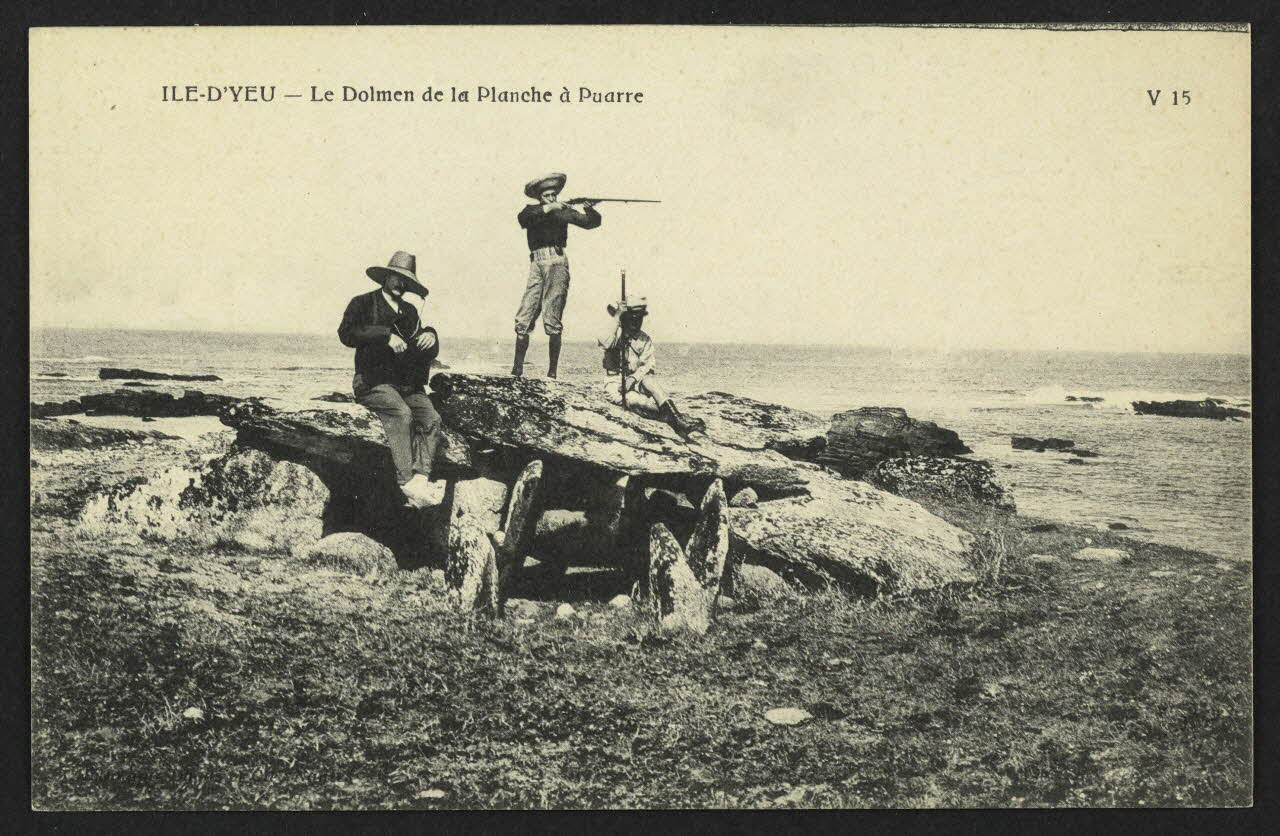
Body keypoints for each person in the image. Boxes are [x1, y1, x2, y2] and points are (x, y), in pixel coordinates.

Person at [338, 251, 443, 507]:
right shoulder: (362, 302)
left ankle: (421, 479)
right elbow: (346, 334)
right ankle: (406, 482)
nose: (401, 284)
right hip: (373, 382)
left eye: (406, 280)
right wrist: (385, 335)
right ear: (386, 277)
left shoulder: (410, 311)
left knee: (432, 418)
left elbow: (423, 344)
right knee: (401, 414)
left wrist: (431, 335)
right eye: (397, 277)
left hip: (407, 385)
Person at [511, 172, 602, 378]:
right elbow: (523, 219)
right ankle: (517, 370)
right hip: (536, 263)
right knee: (524, 315)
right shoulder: (532, 211)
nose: (552, 198)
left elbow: (590, 223)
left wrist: (589, 208)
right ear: (540, 197)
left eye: (554, 195)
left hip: (556, 262)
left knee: (552, 317)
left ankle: (552, 372)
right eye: (547, 196)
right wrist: (551, 207)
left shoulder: (563, 212)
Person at [598, 297, 706, 437]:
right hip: (616, 384)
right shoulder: (615, 334)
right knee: (640, 402)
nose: (636, 322)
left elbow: (648, 365)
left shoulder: (644, 339)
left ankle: (679, 420)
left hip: (635, 382)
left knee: (649, 380)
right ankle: (680, 419)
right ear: (625, 318)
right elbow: (605, 343)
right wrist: (617, 315)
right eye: (632, 319)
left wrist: (632, 378)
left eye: (639, 319)